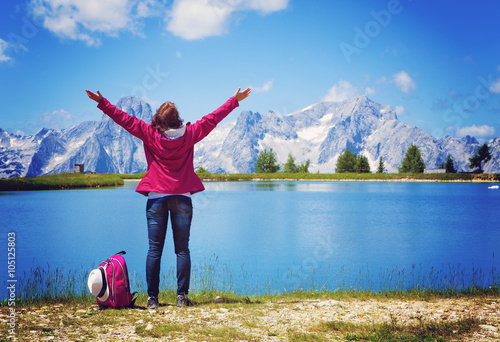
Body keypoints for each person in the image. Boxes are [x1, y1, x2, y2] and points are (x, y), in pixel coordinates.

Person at [85, 87, 251, 309]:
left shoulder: (148, 133)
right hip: (182, 198)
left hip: (156, 198)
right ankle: (182, 297)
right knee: (182, 249)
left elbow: (124, 119)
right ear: (178, 119)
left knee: (154, 250)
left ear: (158, 121)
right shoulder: (191, 133)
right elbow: (213, 118)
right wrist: (234, 100)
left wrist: (102, 102)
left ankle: (152, 299)